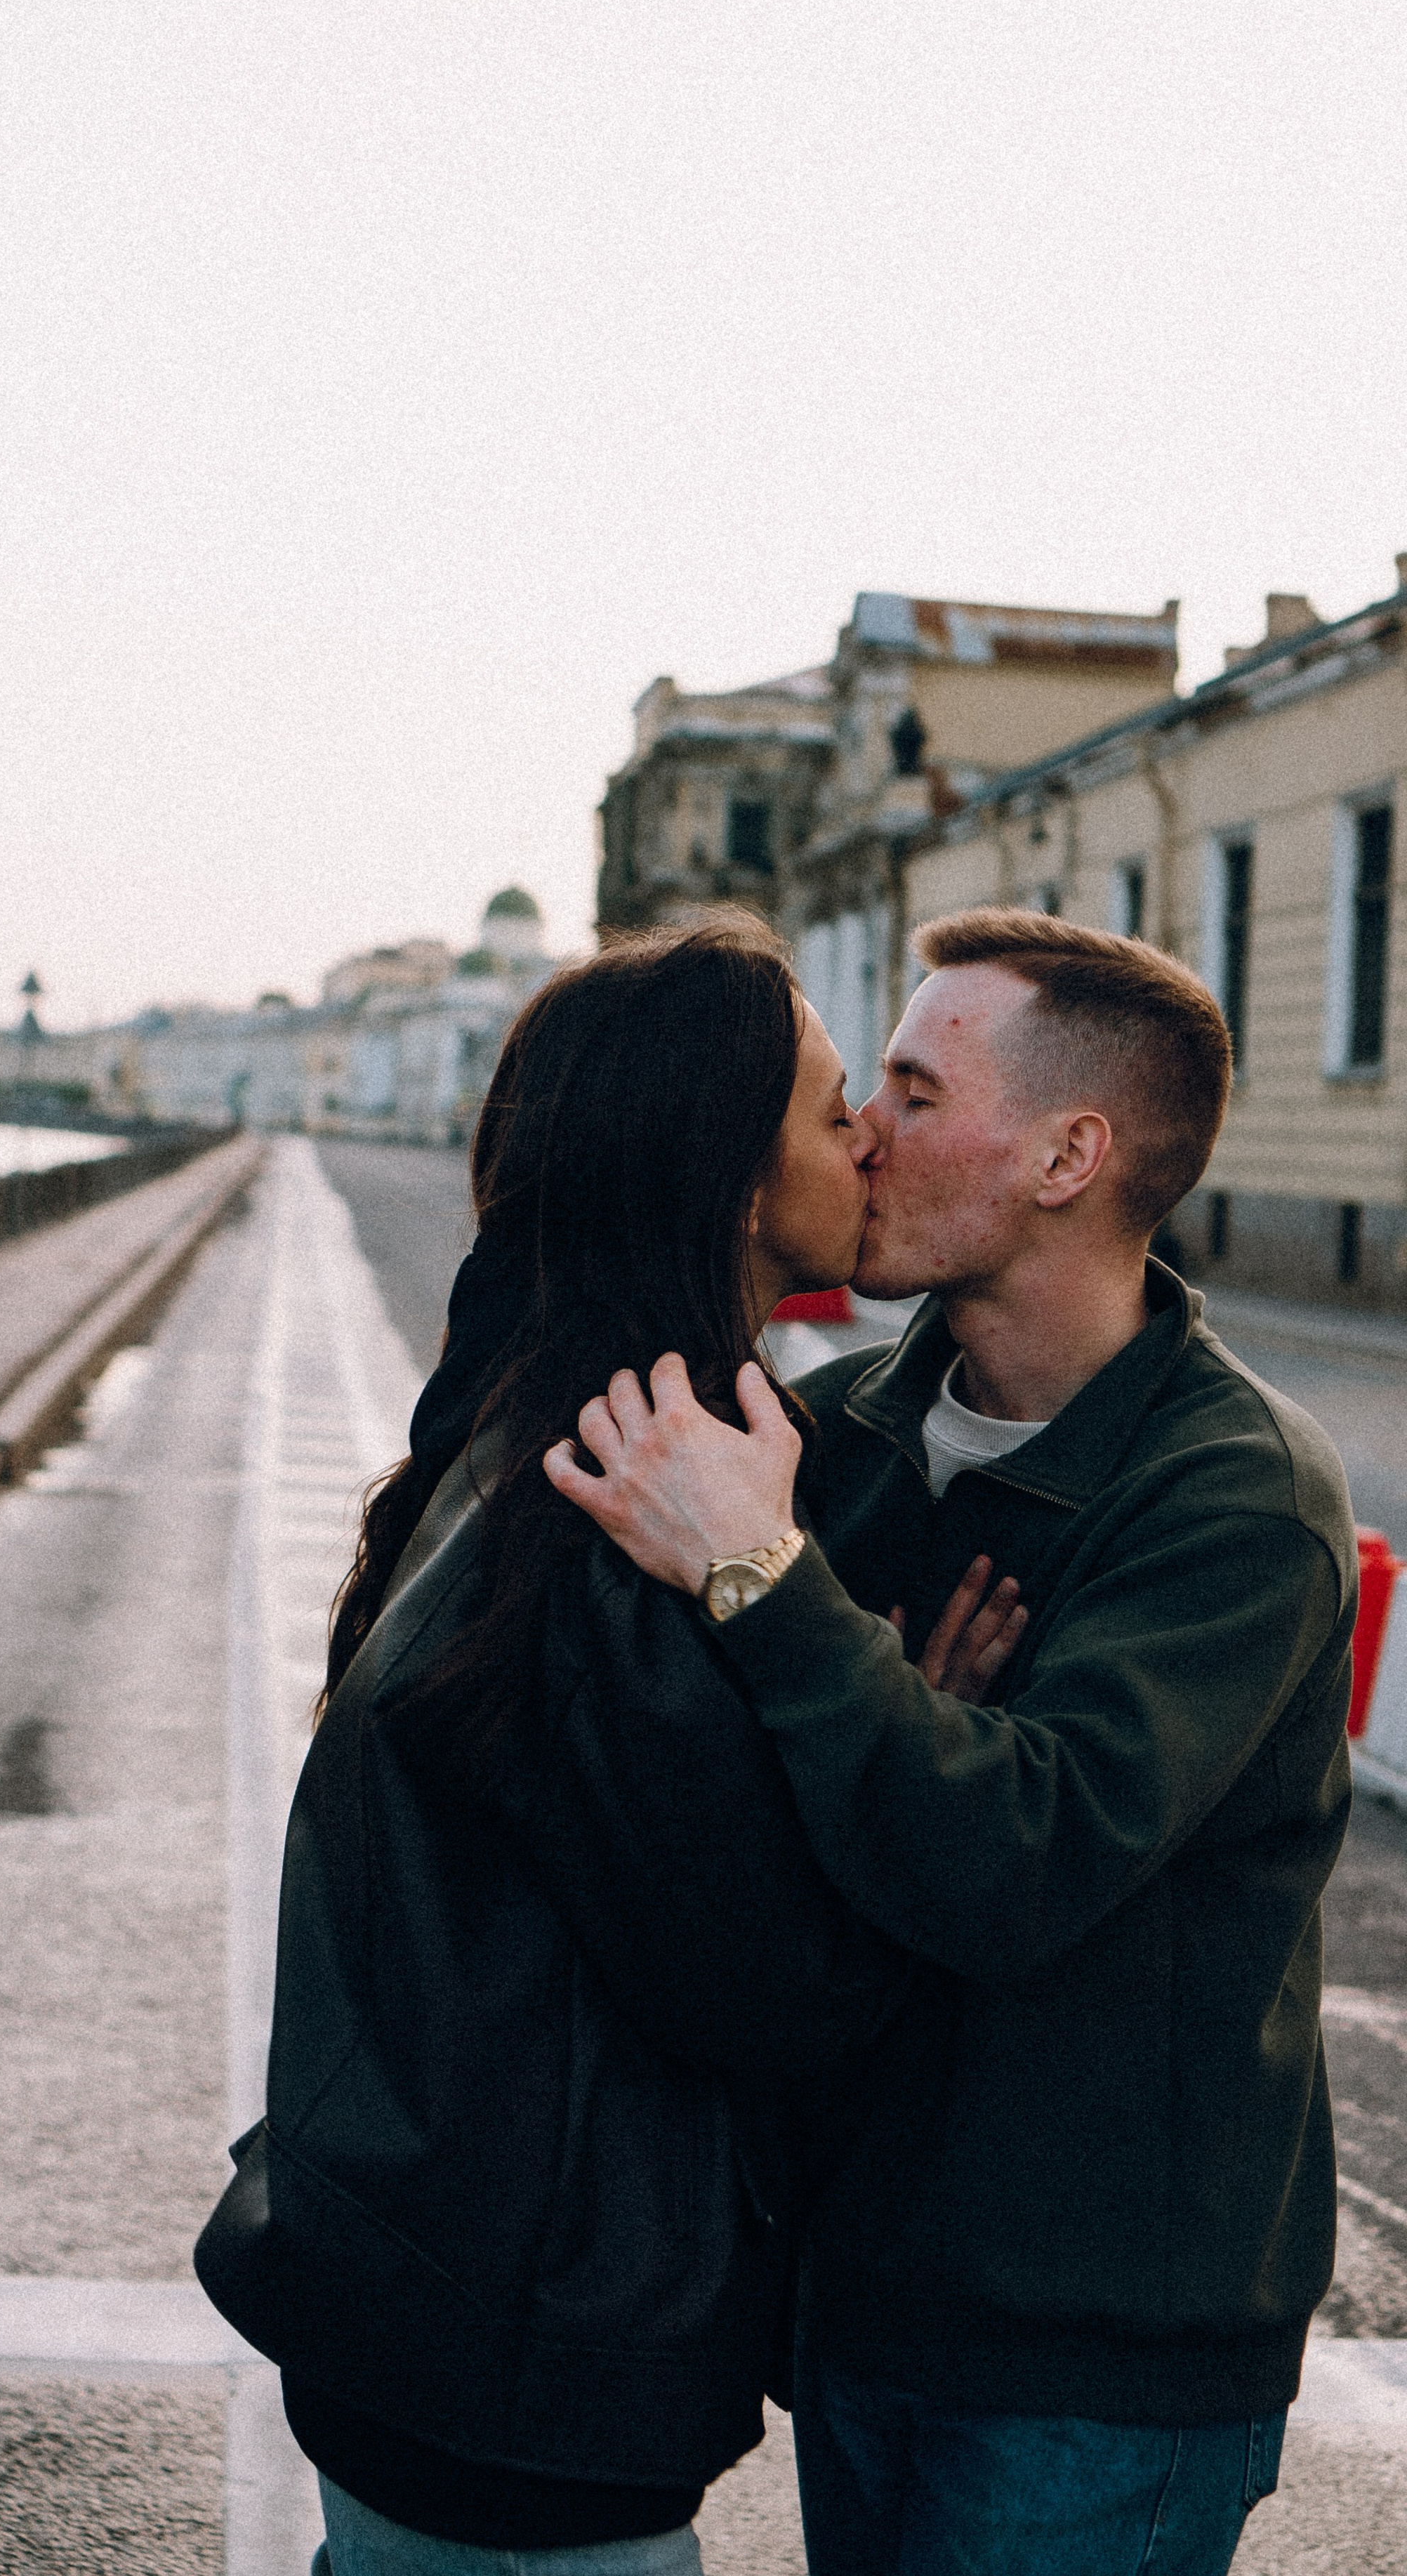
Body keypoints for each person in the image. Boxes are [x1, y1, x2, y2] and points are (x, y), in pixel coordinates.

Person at [196, 918, 1019, 2576]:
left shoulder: (538, 1423)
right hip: (523, 2364)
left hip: (431, 2308)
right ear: (728, 1181)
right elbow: (771, 1983)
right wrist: (912, 1718)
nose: (860, 1136)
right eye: (827, 1105)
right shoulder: (638, 1502)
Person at [546, 907, 1357, 2576]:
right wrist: (904, 1711)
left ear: (1068, 1154)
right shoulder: (832, 1437)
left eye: (914, 1091)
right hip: (863, 2301)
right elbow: (766, 1828)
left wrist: (767, 1589)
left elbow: (1012, 1861)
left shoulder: (1230, 1494)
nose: (861, 1130)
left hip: (1098, 2356)